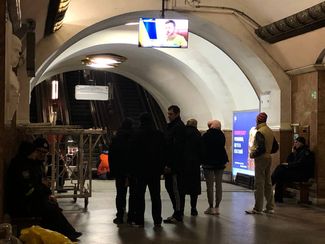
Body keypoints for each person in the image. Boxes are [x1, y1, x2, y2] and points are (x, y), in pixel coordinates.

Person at [6, 138, 82, 241]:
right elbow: (29, 189)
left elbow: (39, 184)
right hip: (22, 204)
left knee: (52, 207)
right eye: (38, 152)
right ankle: (65, 235)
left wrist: (47, 193)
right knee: (50, 209)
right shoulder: (22, 165)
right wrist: (43, 189)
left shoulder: (35, 164)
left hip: (32, 199)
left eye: (44, 153)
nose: (39, 155)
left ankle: (65, 234)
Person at [131, 113, 166, 227]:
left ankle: (139, 220)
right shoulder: (159, 135)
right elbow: (163, 153)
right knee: (156, 196)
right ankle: (157, 220)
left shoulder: (136, 134)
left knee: (139, 196)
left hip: (140, 170)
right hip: (155, 170)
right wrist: (161, 168)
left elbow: (133, 154)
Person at [246, 112, 275, 214]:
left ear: (258, 120)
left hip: (261, 159)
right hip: (268, 158)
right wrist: (268, 152)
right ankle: (270, 207)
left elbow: (261, 147)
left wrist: (253, 154)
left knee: (259, 183)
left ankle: (257, 208)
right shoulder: (270, 131)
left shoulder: (260, 132)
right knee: (268, 182)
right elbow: (275, 147)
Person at [109, 118, 136, 224]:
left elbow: (111, 156)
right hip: (132, 170)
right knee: (133, 194)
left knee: (120, 194)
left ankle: (120, 215)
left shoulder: (116, 138)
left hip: (120, 171)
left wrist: (112, 171)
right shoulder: (134, 137)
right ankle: (131, 216)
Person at [271, 136, 314, 203]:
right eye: (295, 142)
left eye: (296, 142)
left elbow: (300, 164)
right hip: (296, 172)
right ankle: (277, 198)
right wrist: (292, 153)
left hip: (302, 174)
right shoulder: (297, 151)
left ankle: (270, 184)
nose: (295, 144)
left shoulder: (306, 152)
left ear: (301, 143)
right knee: (280, 173)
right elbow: (289, 161)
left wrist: (288, 165)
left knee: (280, 171)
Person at [163, 105, 186, 223]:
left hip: (175, 167)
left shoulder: (178, 128)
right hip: (170, 164)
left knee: (176, 190)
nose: (168, 116)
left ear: (177, 114)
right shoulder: (172, 127)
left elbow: (176, 149)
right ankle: (176, 212)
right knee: (170, 188)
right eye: (168, 114)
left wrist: (170, 165)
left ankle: (178, 214)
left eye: (171, 114)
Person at [201, 120, 229, 215]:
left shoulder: (205, 135)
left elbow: (203, 148)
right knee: (218, 185)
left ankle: (211, 206)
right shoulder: (222, 135)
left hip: (208, 162)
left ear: (210, 126)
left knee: (209, 186)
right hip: (220, 162)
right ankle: (217, 207)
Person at [180, 118, 203, 216]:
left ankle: (181, 209)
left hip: (183, 164)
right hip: (194, 165)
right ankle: (193, 208)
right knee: (194, 188)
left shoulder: (182, 133)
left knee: (182, 188)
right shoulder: (198, 134)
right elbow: (201, 150)